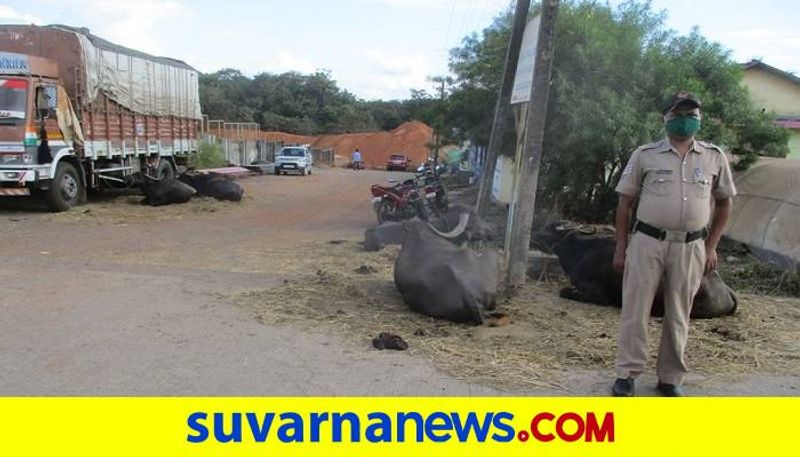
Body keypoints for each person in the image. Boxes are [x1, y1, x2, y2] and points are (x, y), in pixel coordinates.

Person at [611, 91, 736, 397]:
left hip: (691, 246)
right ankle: (627, 373)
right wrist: (621, 246)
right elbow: (625, 203)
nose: (684, 121)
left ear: (700, 119)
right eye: (678, 114)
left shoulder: (714, 157)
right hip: (647, 242)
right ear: (665, 118)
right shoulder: (644, 155)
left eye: (691, 115)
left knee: (680, 311)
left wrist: (711, 246)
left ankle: (670, 377)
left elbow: (724, 204)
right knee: (635, 308)